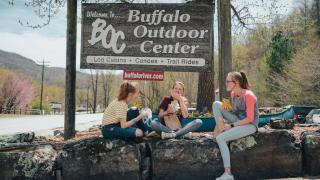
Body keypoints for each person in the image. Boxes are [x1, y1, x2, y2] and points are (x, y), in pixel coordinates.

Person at [212, 71, 259, 180]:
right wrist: (228, 108)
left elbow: (249, 118)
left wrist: (231, 126)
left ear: (236, 83)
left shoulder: (249, 95)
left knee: (221, 138)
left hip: (250, 125)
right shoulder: (233, 94)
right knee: (216, 104)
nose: (226, 84)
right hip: (238, 120)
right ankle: (221, 128)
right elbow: (236, 112)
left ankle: (228, 174)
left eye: (228, 81)